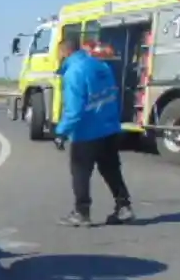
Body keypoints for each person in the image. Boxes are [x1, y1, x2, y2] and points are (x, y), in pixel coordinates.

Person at [54, 35, 135, 226]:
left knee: (80, 172)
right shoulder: (101, 66)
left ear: (66, 52)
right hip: (108, 128)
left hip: (87, 133)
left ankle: (82, 213)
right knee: (111, 170)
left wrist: (61, 132)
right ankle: (124, 207)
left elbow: (74, 109)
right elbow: (113, 96)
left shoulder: (74, 72)